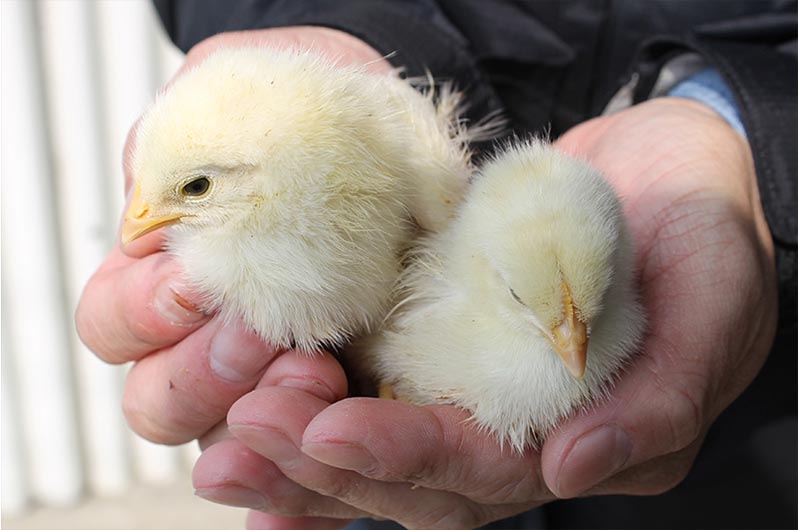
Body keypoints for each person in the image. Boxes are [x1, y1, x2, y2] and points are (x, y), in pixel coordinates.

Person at [76, 1, 797, 528]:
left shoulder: (417, 187)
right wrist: (338, 23)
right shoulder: (262, 202)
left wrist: (753, 134)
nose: (140, 223)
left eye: (192, 188)